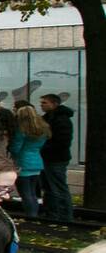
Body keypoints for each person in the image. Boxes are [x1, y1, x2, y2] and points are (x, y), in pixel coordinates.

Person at [9, 105, 49, 218]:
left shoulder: (22, 130)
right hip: (36, 161)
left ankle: (30, 216)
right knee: (33, 193)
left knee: (25, 193)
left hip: (23, 162)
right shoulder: (43, 129)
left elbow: (16, 148)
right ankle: (34, 214)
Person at [39, 94, 74, 222]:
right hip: (49, 157)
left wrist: (43, 147)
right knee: (49, 187)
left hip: (56, 159)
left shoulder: (61, 119)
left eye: (45, 103)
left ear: (54, 104)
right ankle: (52, 214)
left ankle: (64, 216)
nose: (42, 105)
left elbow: (62, 141)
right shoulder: (49, 118)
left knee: (58, 187)